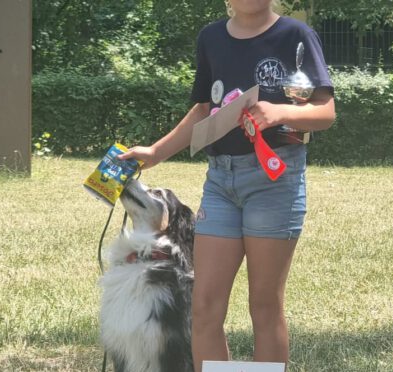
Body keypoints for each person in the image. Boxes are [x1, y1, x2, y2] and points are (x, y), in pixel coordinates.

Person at [118, 0, 335, 370]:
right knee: (203, 307)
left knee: (264, 306)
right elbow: (204, 110)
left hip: (275, 180)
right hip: (220, 182)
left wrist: (280, 111)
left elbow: (326, 111)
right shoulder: (211, 37)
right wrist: (155, 152)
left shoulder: (296, 35)